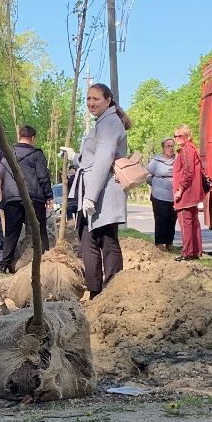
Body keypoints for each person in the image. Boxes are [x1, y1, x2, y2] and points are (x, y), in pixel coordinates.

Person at [76, 82, 130, 295]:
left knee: (106, 241)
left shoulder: (109, 123)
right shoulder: (103, 122)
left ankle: (112, 291)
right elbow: (92, 158)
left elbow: (103, 160)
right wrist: (75, 158)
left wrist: (90, 197)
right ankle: (97, 291)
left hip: (103, 192)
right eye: (88, 99)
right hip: (98, 190)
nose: (91, 103)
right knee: (91, 239)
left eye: (95, 99)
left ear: (108, 100)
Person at [0, 124, 52, 274]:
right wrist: (48, 195)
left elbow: (1, 174)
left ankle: (4, 264)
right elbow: (43, 176)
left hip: (12, 198)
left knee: (11, 232)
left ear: (19, 136)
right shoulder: (37, 154)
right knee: (39, 229)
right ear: (33, 138)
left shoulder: (8, 153)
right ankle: (46, 259)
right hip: (33, 197)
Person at [173, 125, 207, 261]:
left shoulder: (187, 150)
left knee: (185, 222)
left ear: (187, 136)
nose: (176, 139)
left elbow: (188, 172)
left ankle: (187, 252)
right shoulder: (192, 148)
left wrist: (180, 190)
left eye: (179, 136)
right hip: (192, 193)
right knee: (193, 222)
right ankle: (195, 251)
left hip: (186, 193)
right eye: (175, 136)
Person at [148, 137, 177, 251]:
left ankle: (170, 243)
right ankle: (159, 243)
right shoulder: (156, 161)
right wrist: (154, 184)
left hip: (174, 195)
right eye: (168, 146)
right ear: (163, 148)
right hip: (159, 195)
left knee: (172, 219)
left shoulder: (177, 160)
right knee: (161, 219)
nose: (170, 148)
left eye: (172, 146)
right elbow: (147, 174)